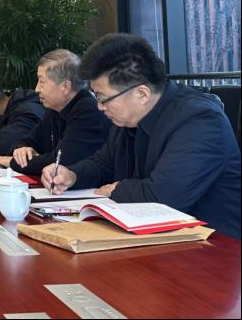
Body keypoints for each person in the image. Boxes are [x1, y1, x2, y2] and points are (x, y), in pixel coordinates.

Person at [42, 33, 241, 239]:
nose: (100, 107)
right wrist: (72, 175)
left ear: (142, 94)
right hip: (157, 239)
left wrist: (117, 189)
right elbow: (103, 163)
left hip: (214, 247)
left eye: (103, 98)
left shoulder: (200, 120)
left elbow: (162, 198)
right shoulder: (128, 118)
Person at [0, 49, 110, 175]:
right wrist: (21, 149)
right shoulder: (55, 108)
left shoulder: (88, 112)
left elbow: (59, 162)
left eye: (42, 82)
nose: (36, 89)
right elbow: (28, 140)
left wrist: (12, 162)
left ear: (65, 87)